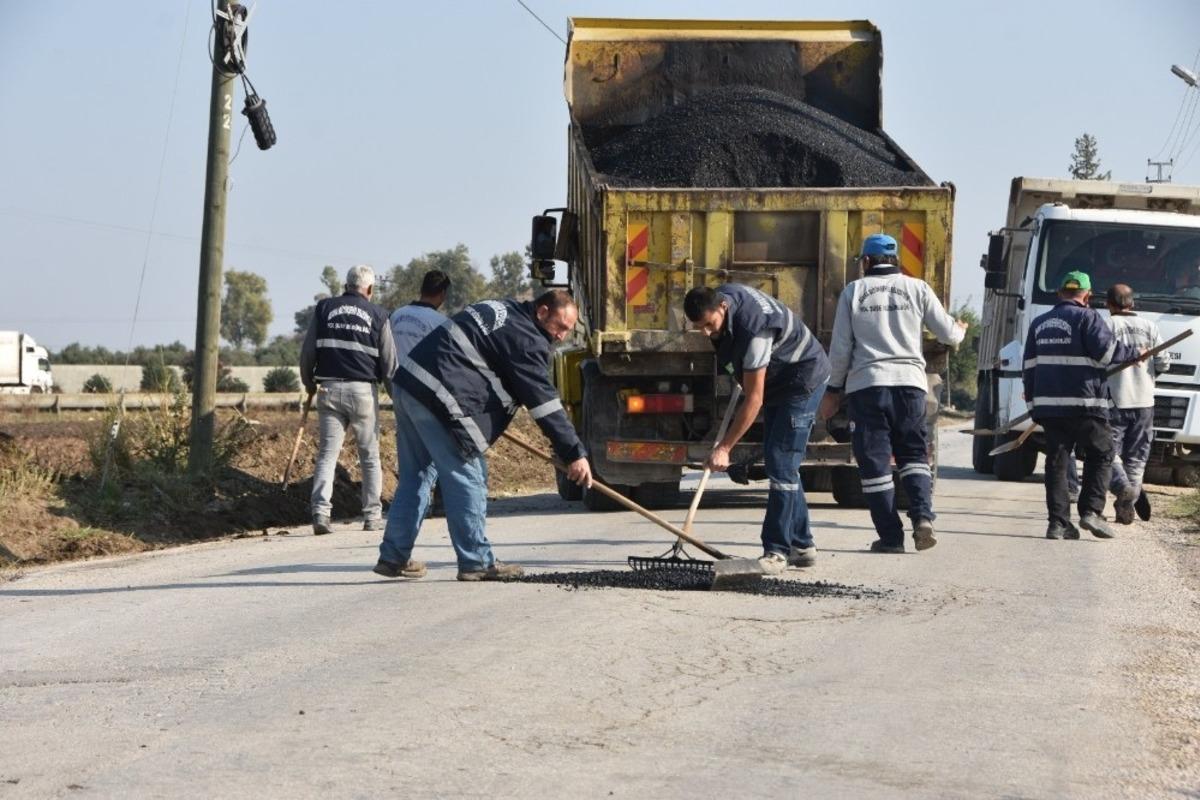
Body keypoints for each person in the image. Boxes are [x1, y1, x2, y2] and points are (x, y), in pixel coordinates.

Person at [379, 289, 591, 581]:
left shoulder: (502, 308)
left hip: (409, 386)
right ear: (542, 312)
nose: (561, 336)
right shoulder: (527, 339)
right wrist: (574, 453)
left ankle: (393, 556)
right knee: (469, 477)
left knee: (416, 476)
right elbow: (544, 403)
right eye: (560, 326)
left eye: (568, 330)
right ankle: (476, 561)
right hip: (440, 399)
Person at [818, 233, 967, 554]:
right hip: (910, 387)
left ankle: (890, 538)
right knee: (914, 455)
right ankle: (923, 518)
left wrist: (832, 390)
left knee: (875, 465)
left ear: (866, 261)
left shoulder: (854, 292)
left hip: (867, 388)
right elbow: (948, 334)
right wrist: (960, 330)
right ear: (896, 259)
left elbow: (841, 349)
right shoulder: (918, 288)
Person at [682, 283, 830, 575]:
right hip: (779, 378)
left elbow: (754, 399)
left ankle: (777, 551)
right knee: (782, 464)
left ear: (722, 307)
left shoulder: (755, 331)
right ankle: (802, 545)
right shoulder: (724, 299)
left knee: (781, 462)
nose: (706, 333)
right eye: (699, 328)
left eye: (709, 325)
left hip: (802, 378)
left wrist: (724, 448)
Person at [1021, 270, 1141, 540]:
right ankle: (1091, 512)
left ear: (1060, 293)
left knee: (1057, 462)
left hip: (1049, 408)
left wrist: (1032, 405)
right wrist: (1134, 354)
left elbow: (1028, 367)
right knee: (1102, 454)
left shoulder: (1039, 323)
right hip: (1086, 405)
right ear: (1087, 295)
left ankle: (1058, 524)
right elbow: (1108, 353)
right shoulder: (1088, 318)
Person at [299, 264, 397, 535]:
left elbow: (308, 352)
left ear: (346, 285)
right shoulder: (379, 315)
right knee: (369, 457)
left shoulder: (324, 308)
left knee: (327, 455)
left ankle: (320, 513)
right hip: (362, 392)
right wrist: (396, 397)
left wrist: (308, 382)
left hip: (328, 389)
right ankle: (372, 516)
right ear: (370, 289)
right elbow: (389, 364)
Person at [375, 270, 451, 578]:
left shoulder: (396, 316)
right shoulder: (441, 323)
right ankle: (472, 554)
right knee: (435, 469)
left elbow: (386, 356)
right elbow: (447, 366)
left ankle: (394, 554)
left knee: (411, 474)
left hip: (401, 395)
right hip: (429, 399)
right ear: (442, 294)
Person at [1104, 284, 1168, 524]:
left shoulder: (1107, 325)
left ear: (1108, 304)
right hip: (1145, 402)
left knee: (1107, 452)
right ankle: (1128, 504)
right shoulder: (1150, 326)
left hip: (1114, 400)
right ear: (1132, 303)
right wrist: (1147, 377)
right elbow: (1163, 363)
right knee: (1137, 458)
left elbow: (1099, 358)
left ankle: (1123, 487)